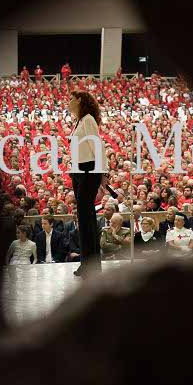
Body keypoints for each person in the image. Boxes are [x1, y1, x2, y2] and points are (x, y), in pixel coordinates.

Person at [68, 90, 108, 278]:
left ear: (79, 100)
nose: (69, 101)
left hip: (88, 170)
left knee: (86, 218)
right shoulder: (80, 121)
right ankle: (89, 263)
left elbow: (98, 147)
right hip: (78, 170)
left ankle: (90, 264)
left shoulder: (89, 119)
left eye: (71, 98)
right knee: (84, 218)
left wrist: (103, 173)